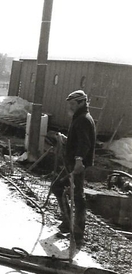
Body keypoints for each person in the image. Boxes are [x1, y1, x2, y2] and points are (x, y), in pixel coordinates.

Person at [50, 89, 95, 247]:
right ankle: (68, 222)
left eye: (73, 103)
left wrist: (78, 160)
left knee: (77, 197)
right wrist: (66, 140)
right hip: (72, 164)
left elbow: (85, 143)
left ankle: (78, 233)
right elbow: (79, 140)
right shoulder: (80, 117)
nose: (70, 106)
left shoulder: (83, 119)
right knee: (57, 187)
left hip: (76, 165)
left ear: (82, 102)